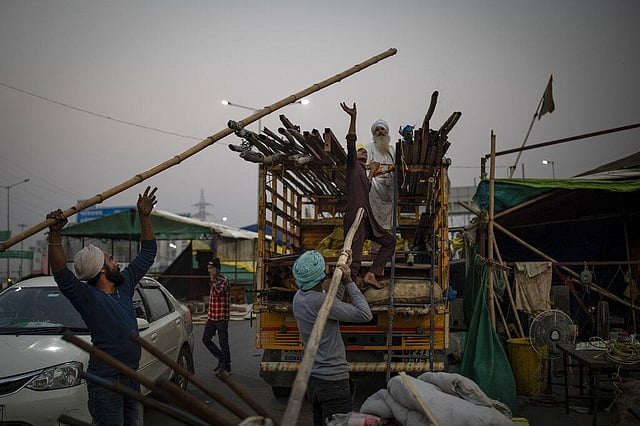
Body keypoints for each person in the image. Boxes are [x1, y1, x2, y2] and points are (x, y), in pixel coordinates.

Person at [46, 186, 158, 426]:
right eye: (111, 260)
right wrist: (55, 235)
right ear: (102, 270)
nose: (117, 263)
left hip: (131, 378)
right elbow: (62, 275)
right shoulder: (88, 297)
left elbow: (148, 253)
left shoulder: (124, 286)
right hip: (106, 383)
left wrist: (144, 217)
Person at [291, 250, 373, 426]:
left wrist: (341, 277)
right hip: (333, 381)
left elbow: (333, 304)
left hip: (313, 380)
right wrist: (349, 281)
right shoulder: (320, 301)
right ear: (322, 275)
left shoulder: (298, 298)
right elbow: (365, 314)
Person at [340, 101, 396, 289]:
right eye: (360, 150)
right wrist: (353, 117)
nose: (363, 151)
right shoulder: (351, 166)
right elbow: (351, 141)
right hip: (356, 216)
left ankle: (372, 274)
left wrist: (371, 172)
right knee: (354, 259)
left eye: (365, 150)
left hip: (366, 217)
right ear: (354, 155)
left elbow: (367, 187)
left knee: (389, 241)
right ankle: (347, 292)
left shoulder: (363, 173)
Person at [366, 118, 396, 232]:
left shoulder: (392, 150)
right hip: (375, 186)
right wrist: (385, 169)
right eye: (377, 130)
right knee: (375, 217)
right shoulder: (369, 148)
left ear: (386, 131)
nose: (380, 131)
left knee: (390, 218)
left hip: (389, 187)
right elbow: (366, 167)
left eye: (382, 129)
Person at [202, 257, 231, 374]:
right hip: (212, 315)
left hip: (221, 316)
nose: (209, 271)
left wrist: (213, 280)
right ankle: (221, 358)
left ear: (217, 269)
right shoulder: (212, 281)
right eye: (208, 268)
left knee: (223, 341)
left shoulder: (224, 280)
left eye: (211, 268)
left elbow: (218, 293)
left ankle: (227, 365)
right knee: (206, 339)